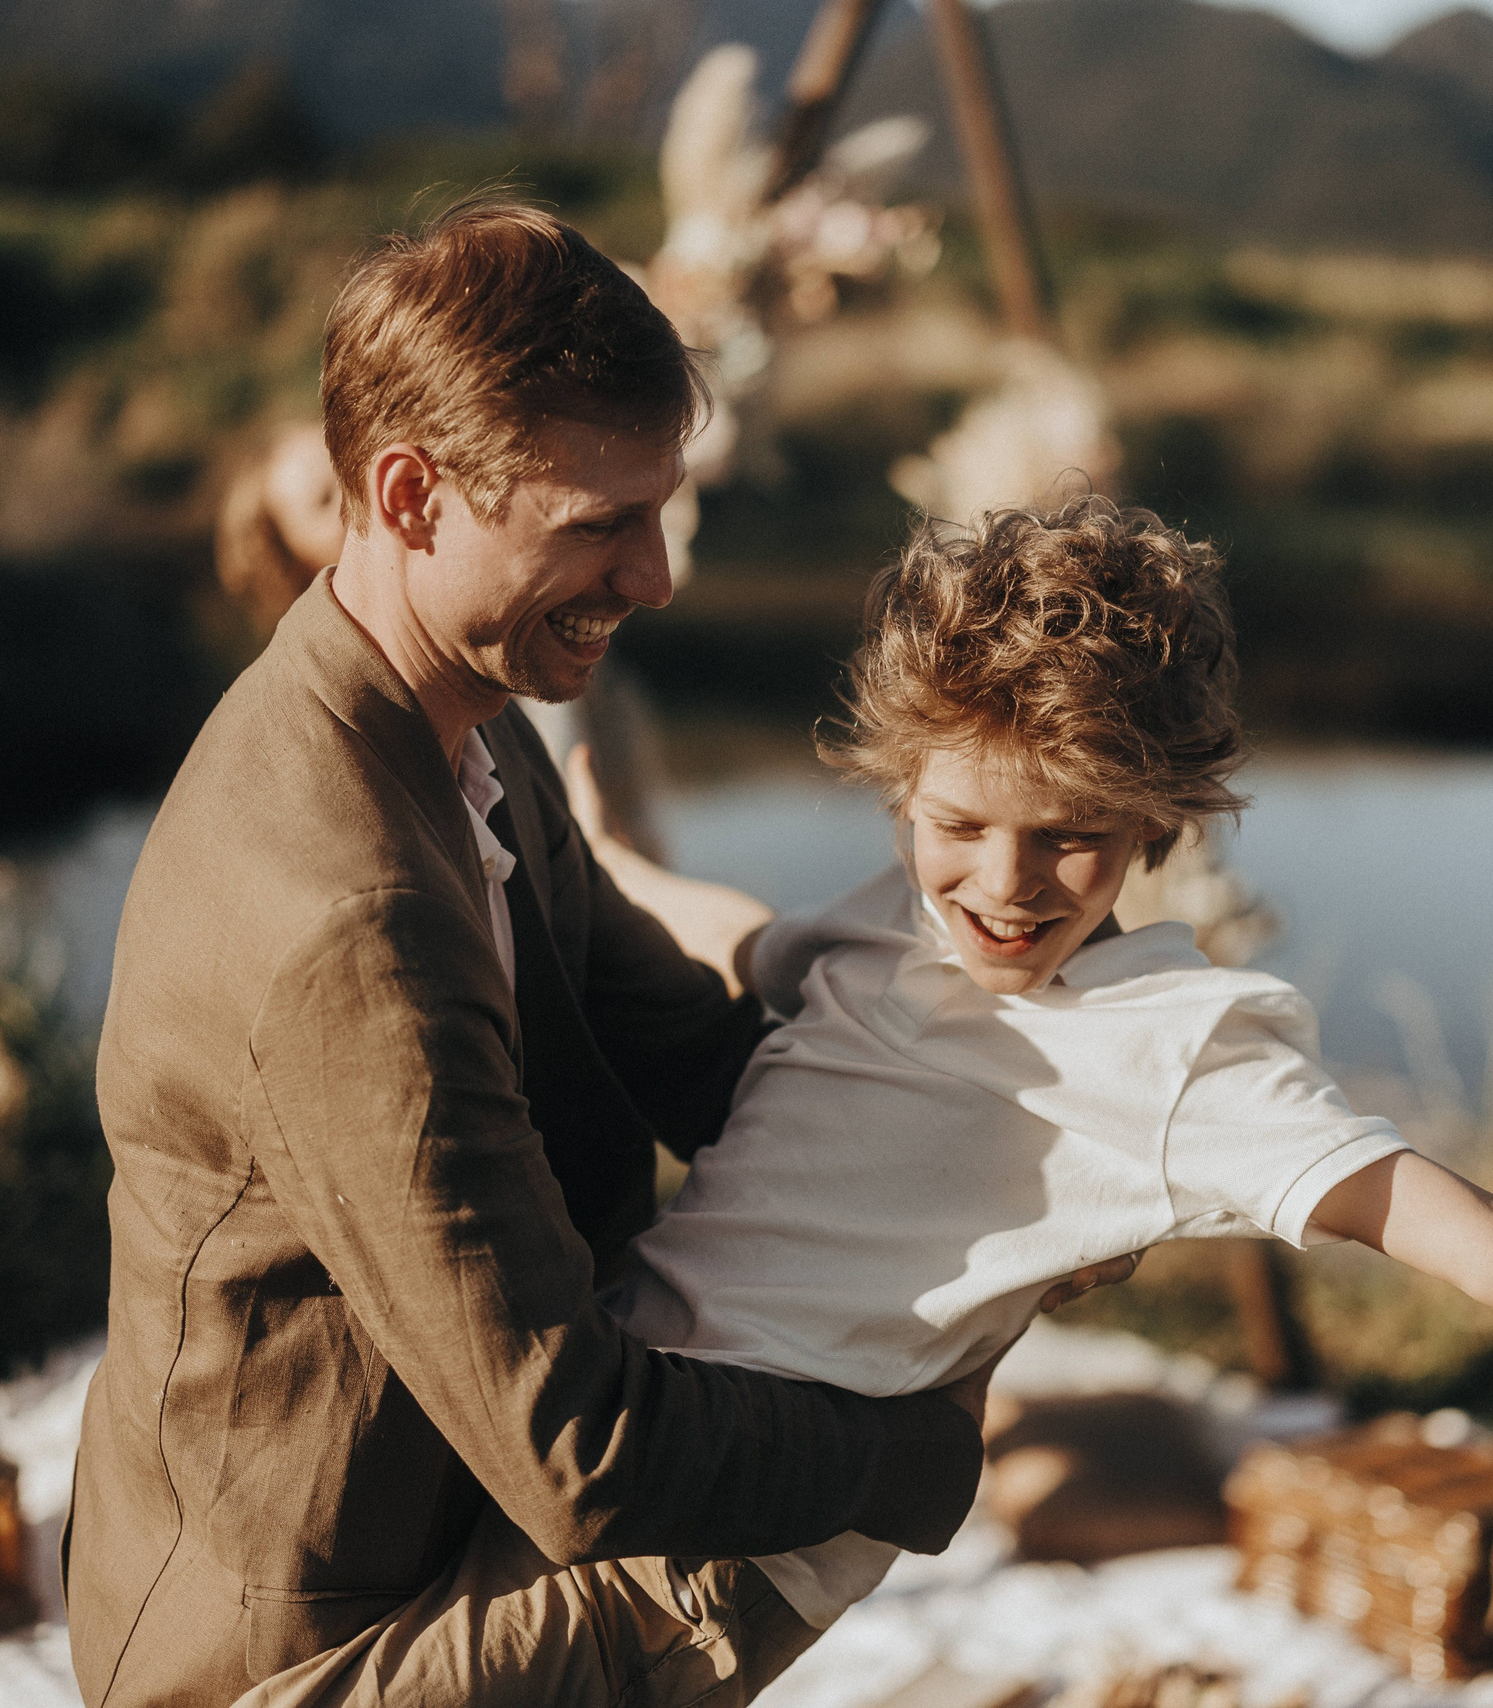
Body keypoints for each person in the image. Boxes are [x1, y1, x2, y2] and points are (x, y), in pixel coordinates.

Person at [316, 494, 1493, 1677]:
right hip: (604, 1408)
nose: (1010, 890)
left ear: (1156, 833)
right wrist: (516, 828)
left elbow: (1492, 1241)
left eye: (1075, 847)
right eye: (964, 828)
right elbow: (739, 946)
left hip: (712, 1552)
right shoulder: (893, 922)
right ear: (899, 794)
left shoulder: (1174, 1056)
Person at [65, 200, 1124, 1708]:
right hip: (299, 1645)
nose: (657, 577)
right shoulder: (344, 911)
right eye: (599, 524)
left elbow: (686, 1052)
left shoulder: (464, 727)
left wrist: (1015, 1150)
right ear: (414, 494)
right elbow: (577, 1447)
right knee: (783, 1516)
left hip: (432, 1510)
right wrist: (909, 1447)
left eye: (659, 511)